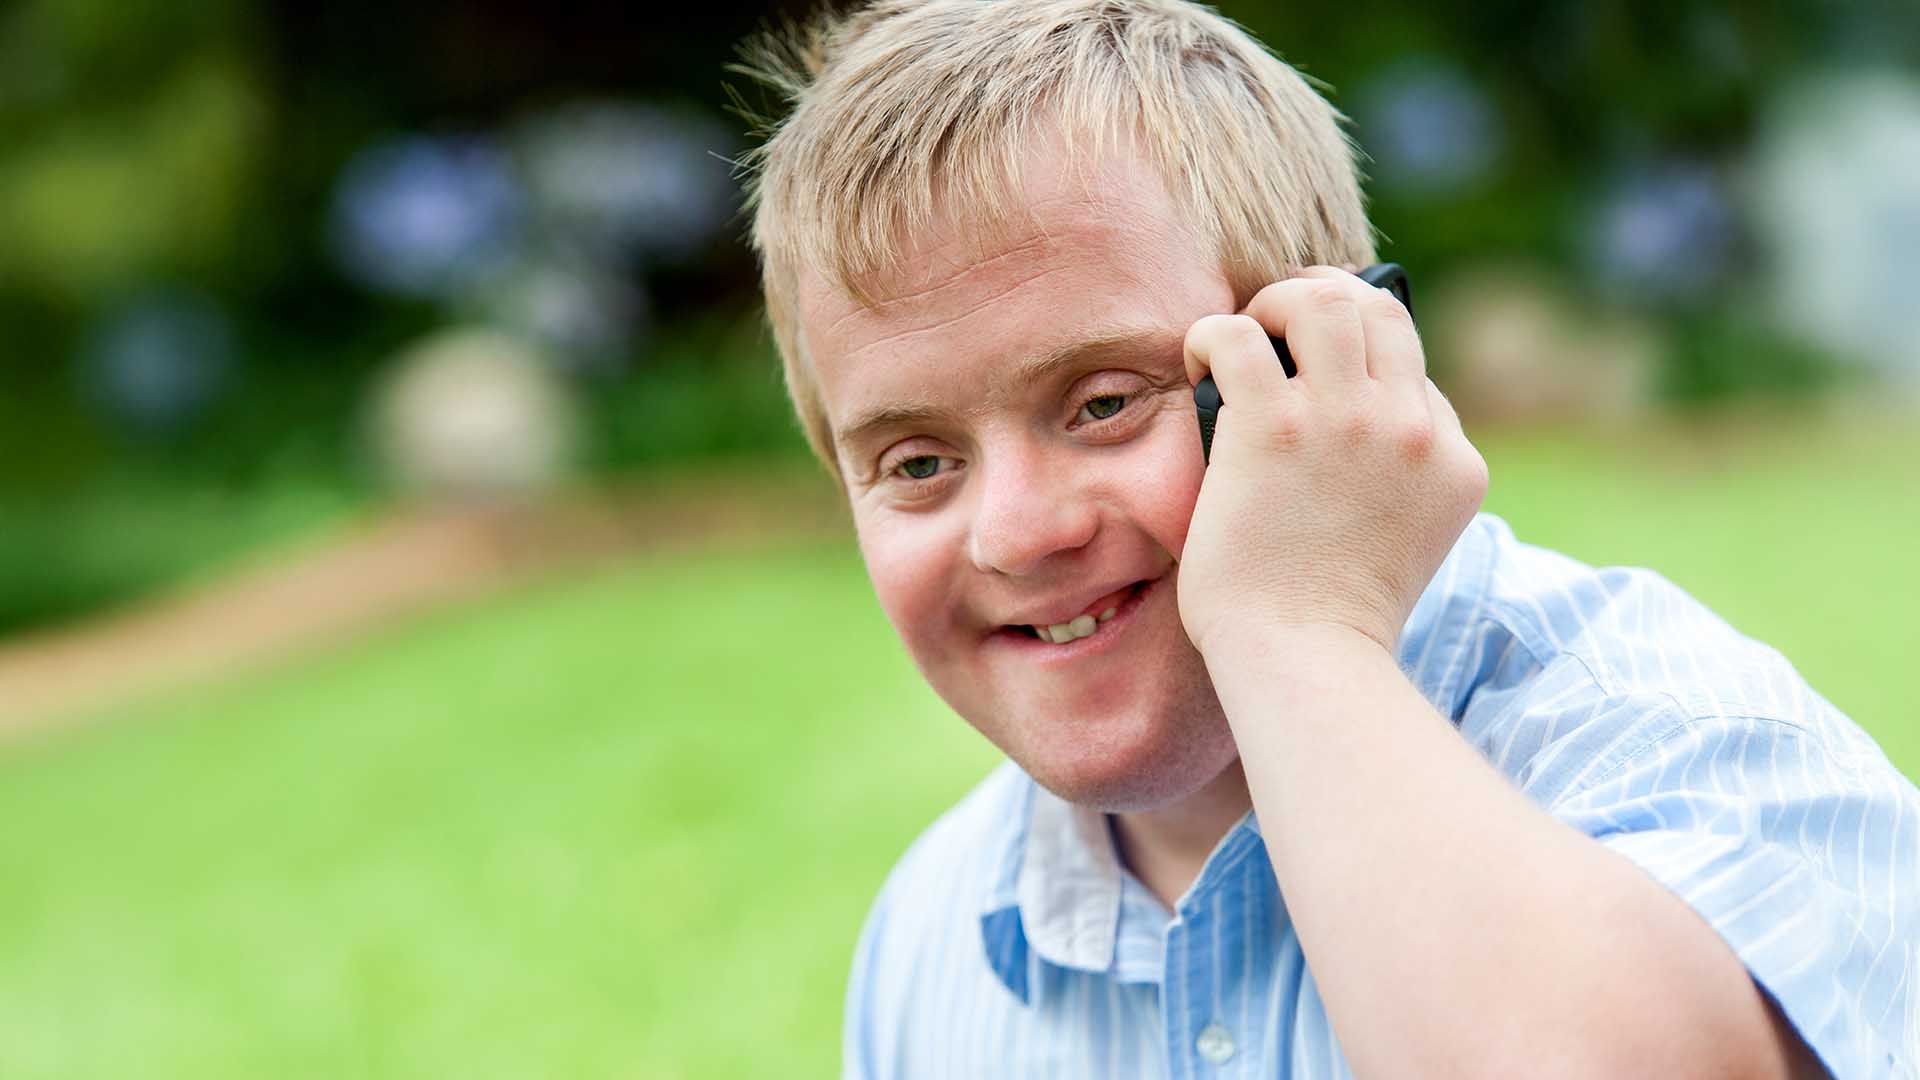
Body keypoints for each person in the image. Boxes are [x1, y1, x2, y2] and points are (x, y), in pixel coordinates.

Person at [732, 1, 1918, 1075]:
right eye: (919, 464)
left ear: (1331, 361)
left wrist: (1295, 629)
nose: (1017, 533)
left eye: (1102, 403)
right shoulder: (937, 927)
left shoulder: (1690, 754)